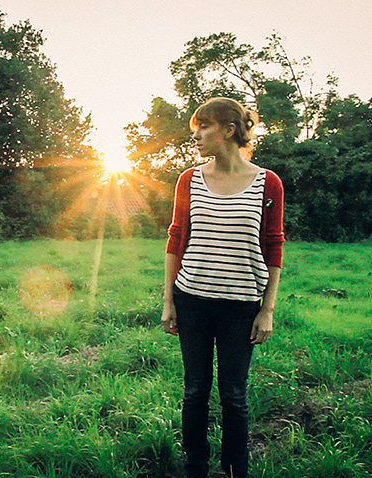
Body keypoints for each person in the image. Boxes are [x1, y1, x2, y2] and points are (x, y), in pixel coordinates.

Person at [161, 97, 285, 478]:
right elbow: (176, 238)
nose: (196, 136)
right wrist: (169, 300)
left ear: (229, 130)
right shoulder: (190, 180)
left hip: (241, 306)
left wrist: (267, 309)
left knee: (234, 395)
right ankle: (196, 467)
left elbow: (274, 244)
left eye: (203, 127)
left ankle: (235, 471)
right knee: (195, 390)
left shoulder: (268, 183)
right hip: (192, 299)